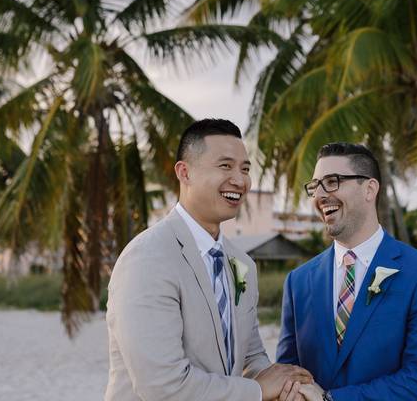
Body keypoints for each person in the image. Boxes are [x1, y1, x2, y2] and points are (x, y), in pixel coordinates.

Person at [105, 118, 312, 401]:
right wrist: (260, 390)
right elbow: (163, 385)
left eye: (245, 169)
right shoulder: (147, 258)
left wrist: (285, 386)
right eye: (225, 166)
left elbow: (251, 357)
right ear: (184, 172)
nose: (239, 180)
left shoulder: (243, 265)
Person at [276, 142, 417, 401]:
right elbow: (289, 371)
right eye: (315, 186)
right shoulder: (298, 281)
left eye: (332, 181)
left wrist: (331, 399)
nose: (320, 195)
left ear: (370, 189)